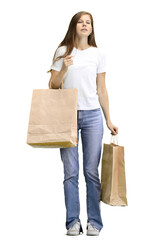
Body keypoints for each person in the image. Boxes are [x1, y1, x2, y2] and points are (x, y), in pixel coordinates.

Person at [48, 11, 118, 236]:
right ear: (74, 26)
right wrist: (65, 68)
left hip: (92, 117)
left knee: (91, 171)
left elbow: (102, 89)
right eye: (81, 22)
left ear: (92, 28)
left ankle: (94, 222)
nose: (85, 25)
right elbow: (52, 85)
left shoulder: (98, 54)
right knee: (71, 172)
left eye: (88, 22)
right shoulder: (62, 52)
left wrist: (109, 119)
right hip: (66, 116)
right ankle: (72, 222)